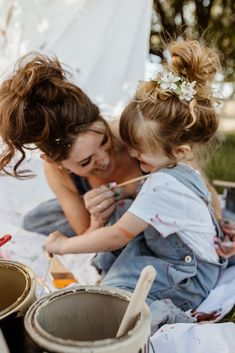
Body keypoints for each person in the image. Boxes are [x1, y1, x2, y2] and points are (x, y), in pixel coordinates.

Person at [45, 39, 228, 329]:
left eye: (139, 149)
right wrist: (119, 193)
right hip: (192, 259)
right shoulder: (181, 170)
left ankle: (163, 317)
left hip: (190, 275)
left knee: (110, 297)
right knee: (121, 233)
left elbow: (117, 235)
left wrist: (64, 245)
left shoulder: (161, 185)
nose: (129, 153)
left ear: (178, 152)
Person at [0, 53, 142, 238]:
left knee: (126, 212)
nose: (104, 159)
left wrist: (125, 192)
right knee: (35, 220)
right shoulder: (56, 172)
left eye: (104, 140)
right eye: (85, 162)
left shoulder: (128, 131)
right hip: (93, 211)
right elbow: (85, 233)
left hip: (149, 207)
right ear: (53, 161)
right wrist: (97, 221)